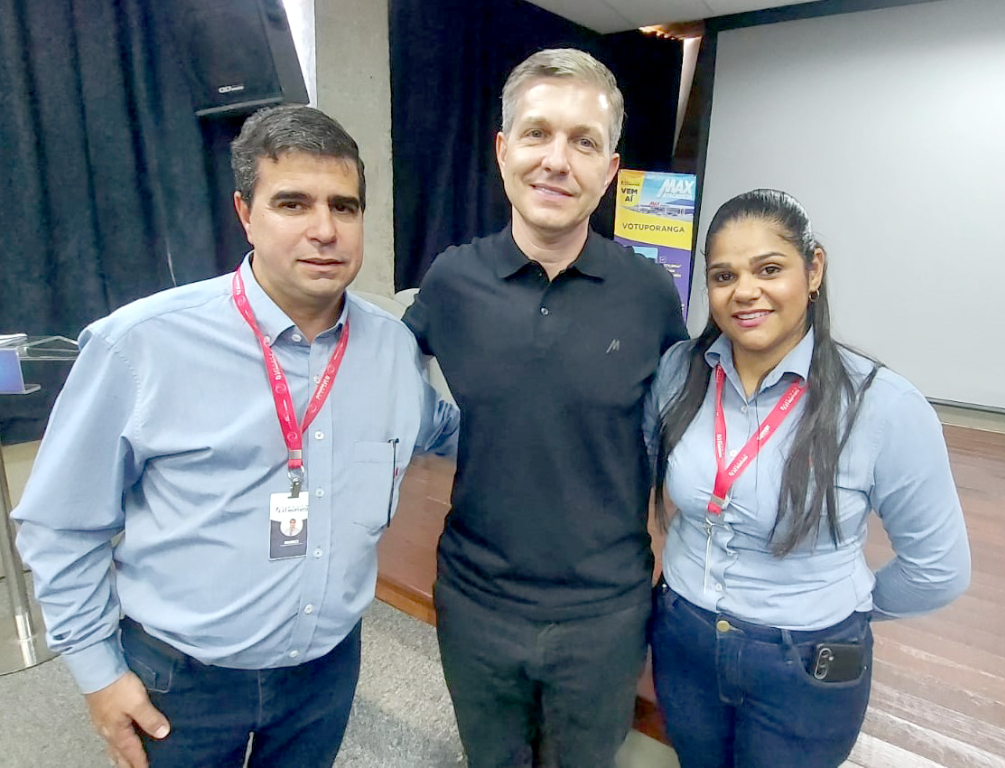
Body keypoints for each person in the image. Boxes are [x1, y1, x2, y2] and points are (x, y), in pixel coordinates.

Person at [13, 105, 458, 768]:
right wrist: (98, 676)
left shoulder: (391, 348)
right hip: (181, 681)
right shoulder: (140, 345)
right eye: (292, 203)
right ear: (245, 213)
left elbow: (446, 429)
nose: (324, 230)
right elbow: (58, 524)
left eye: (345, 205)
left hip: (325, 673)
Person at [403, 49, 687, 767]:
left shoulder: (650, 295)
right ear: (503, 151)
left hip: (605, 613)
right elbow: (364, 377)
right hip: (474, 603)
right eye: (536, 134)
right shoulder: (452, 280)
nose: (556, 161)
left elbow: (687, 431)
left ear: (610, 170)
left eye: (583, 142)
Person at [644, 189, 971, 768]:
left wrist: (841, 611)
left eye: (769, 269)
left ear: (813, 268)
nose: (745, 291)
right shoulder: (678, 372)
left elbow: (938, 570)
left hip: (805, 668)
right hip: (683, 640)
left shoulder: (882, 406)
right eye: (723, 276)